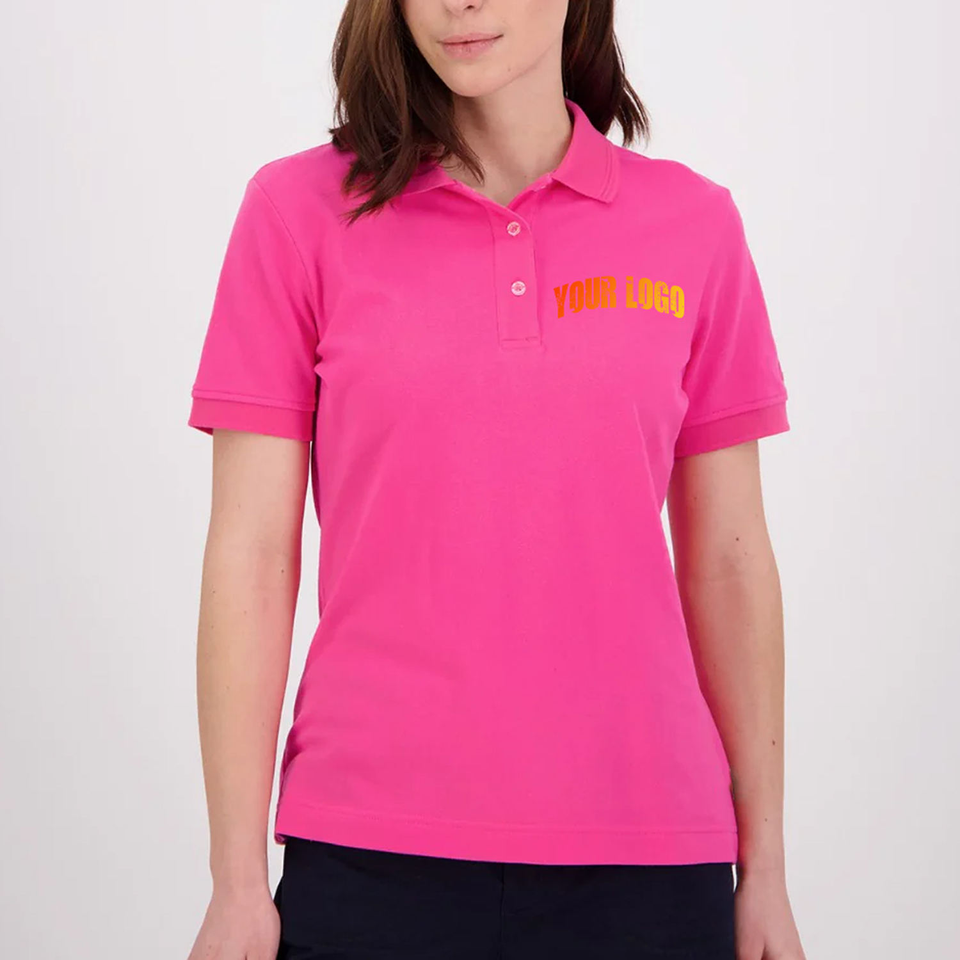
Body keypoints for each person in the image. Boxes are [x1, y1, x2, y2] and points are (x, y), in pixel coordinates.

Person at [185, 1, 807, 958]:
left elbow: (728, 562)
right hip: (369, 854)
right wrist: (234, 885)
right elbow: (253, 556)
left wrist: (765, 872)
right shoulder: (296, 213)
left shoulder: (695, 225)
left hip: (650, 860)